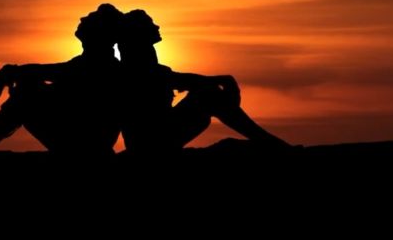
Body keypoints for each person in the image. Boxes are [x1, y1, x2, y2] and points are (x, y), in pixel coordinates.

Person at [0, 4, 124, 156]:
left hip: (87, 145)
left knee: (26, 94)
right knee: (27, 89)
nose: (82, 18)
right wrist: (19, 75)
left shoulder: (102, 65)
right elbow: (55, 82)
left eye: (90, 18)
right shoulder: (87, 62)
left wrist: (15, 73)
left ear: (100, 32)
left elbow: (56, 75)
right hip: (79, 137)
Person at [117, 9, 290, 154]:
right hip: (151, 142)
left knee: (208, 94)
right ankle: (270, 142)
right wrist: (221, 81)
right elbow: (174, 80)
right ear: (139, 32)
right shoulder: (135, 66)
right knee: (209, 95)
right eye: (150, 23)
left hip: (157, 135)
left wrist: (217, 81)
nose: (157, 26)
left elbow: (174, 79)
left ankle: (267, 141)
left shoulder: (145, 64)